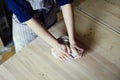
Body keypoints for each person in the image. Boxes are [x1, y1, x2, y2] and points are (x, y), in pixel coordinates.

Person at [5, 0, 84, 61]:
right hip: (26, 22)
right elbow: (26, 16)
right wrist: (56, 45)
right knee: (28, 59)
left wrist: (72, 41)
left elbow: (65, 2)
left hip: (48, 11)